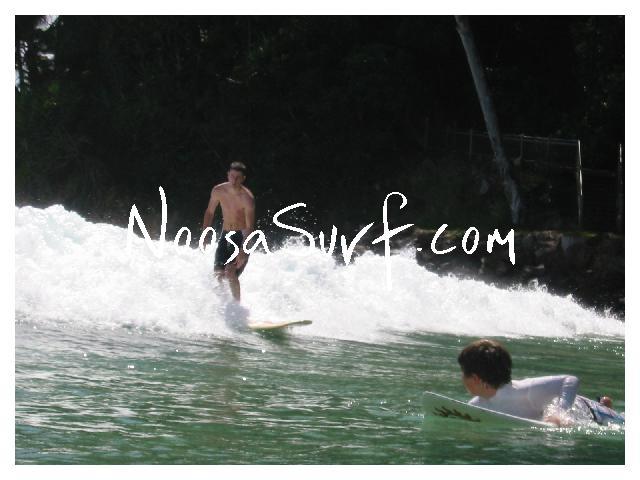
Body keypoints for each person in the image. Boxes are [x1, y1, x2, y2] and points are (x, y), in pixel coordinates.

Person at [457, 339, 624, 426]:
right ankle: (605, 404)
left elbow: (570, 380)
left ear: (476, 378)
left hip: (592, 412)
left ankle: (604, 406)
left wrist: (559, 413)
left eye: (463, 372)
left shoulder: (525, 390)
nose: (461, 378)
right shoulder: (476, 405)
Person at [202, 161, 255, 302]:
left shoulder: (247, 198)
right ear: (228, 175)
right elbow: (209, 212)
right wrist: (205, 233)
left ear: (243, 178)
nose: (234, 180)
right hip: (225, 235)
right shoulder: (218, 191)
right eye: (232, 176)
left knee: (230, 272)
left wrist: (243, 249)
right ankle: (223, 306)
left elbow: (250, 227)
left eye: (238, 177)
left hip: (242, 237)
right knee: (218, 275)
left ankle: (237, 308)